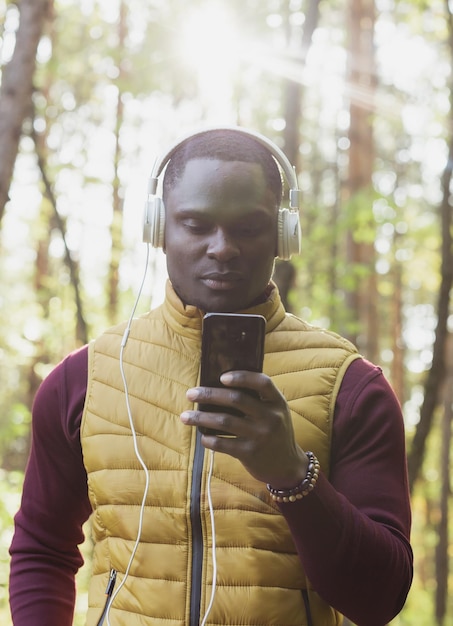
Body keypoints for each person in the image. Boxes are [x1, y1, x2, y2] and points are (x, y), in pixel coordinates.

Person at [9, 127, 413, 626]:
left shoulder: (350, 388)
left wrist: (292, 473)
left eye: (248, 228)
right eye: (196, 224)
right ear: (159, 230)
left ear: (283, 236)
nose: (222, 248)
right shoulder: (83, 380)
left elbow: (380, 600)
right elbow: (42, 548)